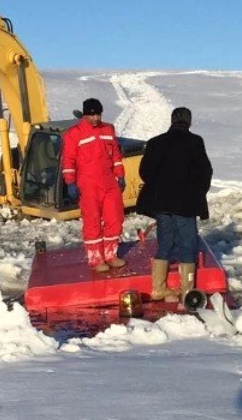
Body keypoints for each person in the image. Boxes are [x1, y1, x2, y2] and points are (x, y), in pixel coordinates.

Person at [136, 107, 213, 302]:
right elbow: (205, 171)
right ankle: (186, 291)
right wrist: (198, 192)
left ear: (172, 121)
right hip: (185, 203)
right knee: (187, 246)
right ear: (189, 122)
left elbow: (145, 172)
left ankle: (158, 289)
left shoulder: (155, 142)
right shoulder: (195, 142)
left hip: (161, 203)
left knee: (165, 243)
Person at [62, 98, 127, 272]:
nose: (96, 118)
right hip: (88, 184)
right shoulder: (73, 134)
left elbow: (115, 156)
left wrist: (120, 176)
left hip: (109, 182)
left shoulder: (108, 129)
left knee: (115, 217)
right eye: (92, 115)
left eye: (98, 114)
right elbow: (69, 161)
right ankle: (96, 259)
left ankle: (111, 255)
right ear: (85, 115)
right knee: (92, 221)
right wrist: (70, 183)